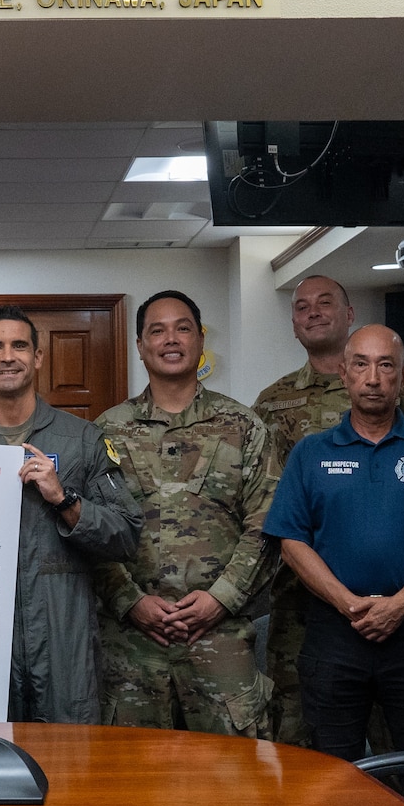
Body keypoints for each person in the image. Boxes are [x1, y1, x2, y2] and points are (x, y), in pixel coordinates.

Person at [264, 324, 404, 775]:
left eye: (386, 365)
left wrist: (399, 605)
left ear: (403, 378)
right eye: (361, 364)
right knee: (330, 777)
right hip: (333, 632)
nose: (373, 377)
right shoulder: (310, 453)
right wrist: (349, 605)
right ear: (344, 374)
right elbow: (291, 542)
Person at [252, 275, 404, 748]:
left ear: (349, 315)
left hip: (399, 599)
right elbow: (261, 494)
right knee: (306, 731)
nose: (314, 312)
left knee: (398, 736)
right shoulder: (272, 401)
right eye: (302, 307)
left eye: (326, 303)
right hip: (304, 596)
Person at [0, 304, 142, 723]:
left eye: (19, 346)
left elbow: (126, 535)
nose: (7, 356)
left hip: (64, 636)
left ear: (38, 357)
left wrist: (64, 499)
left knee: (71, 765)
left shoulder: (82, 440)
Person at [94, 291, 277, 736]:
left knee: (237, 782)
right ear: (140, 345)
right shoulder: (106, 431)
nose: (170, 339)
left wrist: (221, 599)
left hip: (220, 638)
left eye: (182, 328)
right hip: (133, 645)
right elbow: (91, 530)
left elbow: (267, 524)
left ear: (199, 340)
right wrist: (130, 601)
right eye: (156, 330)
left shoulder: (243, 425)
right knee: (131, 784)